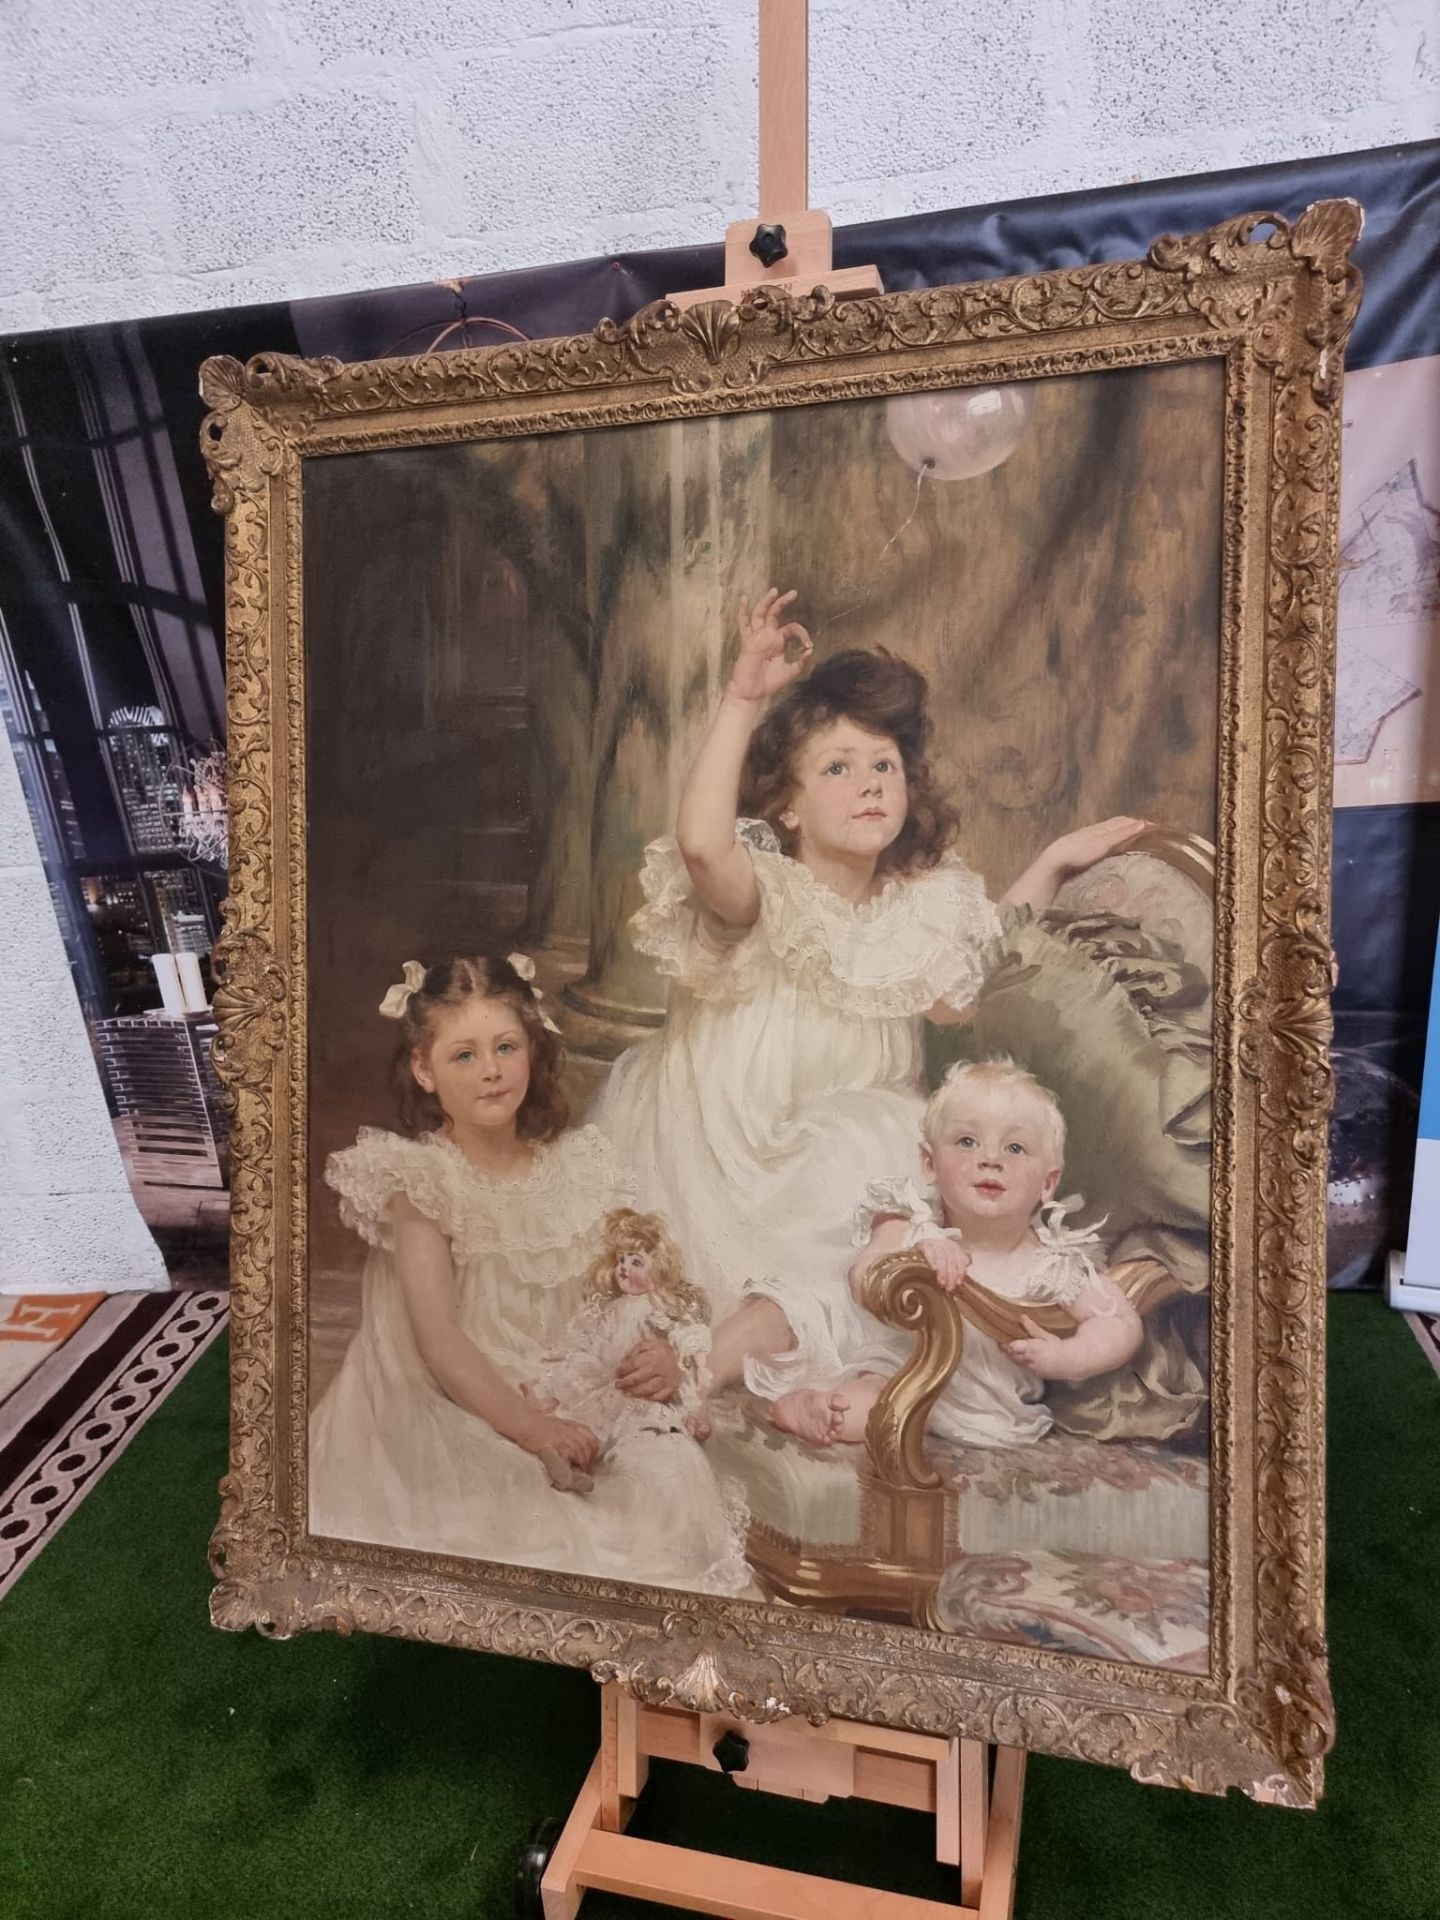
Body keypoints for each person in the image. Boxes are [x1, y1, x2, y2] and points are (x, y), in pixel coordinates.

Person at [594, 587, 1143, 1408]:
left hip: (846, 1146)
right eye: (838, 768)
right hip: (728, 1139)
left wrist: (1055, 862)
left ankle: (710, 1359)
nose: (869, 785)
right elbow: (704, 845)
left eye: (883, 765)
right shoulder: (767, 892)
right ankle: (706, 1358)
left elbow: (968, 981)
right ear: (786, 803)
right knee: (869, 1149)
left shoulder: (917, 906)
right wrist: (745, 695)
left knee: (879, 1155)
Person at [309, 953, 750, 1597]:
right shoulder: (424, 1183)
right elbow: (440, 1341)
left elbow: (619, 1291)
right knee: (531, 1526)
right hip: (467, 1399)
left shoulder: (578, 1170)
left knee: (672, 1476)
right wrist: (531, 1427)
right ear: (423, 1070)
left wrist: (655, 1349)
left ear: (531, 1051)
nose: (490, 1070)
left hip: (573, 1382)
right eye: (464, 1055)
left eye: (505, 1046)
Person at [770, 1059, 1145, 1449]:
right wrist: (918, 1253)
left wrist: (1070, 1356)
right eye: (968, 1142)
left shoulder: (1049, 1266)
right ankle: (810, 1407)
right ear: (929, 1163)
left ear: (1048, 1182)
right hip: (902, 1375)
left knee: (892, 1418)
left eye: (1015, 1148)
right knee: (868, 1412)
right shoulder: (919, 1230)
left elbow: (1120, 1322)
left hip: (985, 1408)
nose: (991, 1159)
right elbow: (863, 1276)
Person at [523, 1207, 715, 1494]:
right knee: (575, 1422)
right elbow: (588, 1340)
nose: (624, 1267)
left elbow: (687, 1338)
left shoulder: (657, 1308)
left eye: (636, 1262)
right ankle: (560, 1462)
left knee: (619, 1432)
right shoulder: (609, 1308)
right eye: (622, 1260)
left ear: (658, 1270)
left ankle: (579, 1466)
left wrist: (690, 1364)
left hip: (628, 1388)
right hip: (598, 1380)